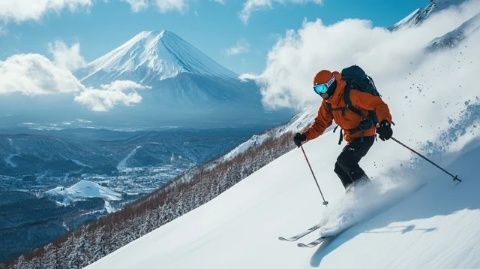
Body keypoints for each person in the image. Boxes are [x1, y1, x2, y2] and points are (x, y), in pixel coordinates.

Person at [293, 69, 393, 190]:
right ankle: (355, 196)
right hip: (353, 138)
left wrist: (385, 123)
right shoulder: (328, 103)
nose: (321, 93)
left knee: (345, 161)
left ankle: (369, 192)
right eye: (317, 90)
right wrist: (305, 136)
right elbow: (320, 124)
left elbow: (378, 104)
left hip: (365, 134)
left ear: (330, 84)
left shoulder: (351, 95)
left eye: (322, 89)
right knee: (339, 168)